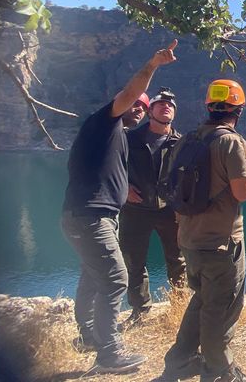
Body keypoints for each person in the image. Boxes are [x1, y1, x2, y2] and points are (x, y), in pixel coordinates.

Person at [61, 40, 178, 374]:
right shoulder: (106, 121)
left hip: (88, 215)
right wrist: (153, 64)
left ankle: (87, 337)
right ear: (120, 105)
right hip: (92, 216)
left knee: (92, 276)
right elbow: (131, 93)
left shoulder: (114, 136)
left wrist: (123, 188)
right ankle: (109, 354)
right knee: (115, 279)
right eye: (136, 106)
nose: (139, 109)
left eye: (143, 107)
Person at [159, 79, 246, 382]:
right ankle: (219, 372)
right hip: (221, 243)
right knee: (221, 312)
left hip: (189, 240)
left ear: (208, 105)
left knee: (202, 300)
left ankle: (179, 362)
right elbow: (242, 191)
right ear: (239, 108)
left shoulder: (187, 139)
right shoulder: (231, 142)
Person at [119, 87, 186, 330]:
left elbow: (189, 176)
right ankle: (140, 310)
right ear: (150, 111)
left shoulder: (180, 143)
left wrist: (182, 204)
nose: (166, 106)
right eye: (160, 104)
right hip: (135, 209)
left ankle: (179, 308)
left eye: (170, 105)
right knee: (134, 261)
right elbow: (110, 166)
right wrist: (123, 188)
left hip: (170, 210)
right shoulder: (129, 139)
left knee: (177, 260)